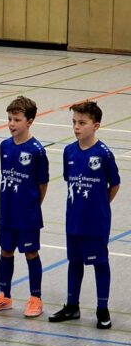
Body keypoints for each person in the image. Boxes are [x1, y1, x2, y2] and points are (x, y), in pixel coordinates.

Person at [50, 101, 121, 330]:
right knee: (74, 261)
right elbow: (69, 181)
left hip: (96, 221)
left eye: (82, 123)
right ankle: (72, 305)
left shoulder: (103, 154)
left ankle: (102, 308)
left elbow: (115, 184)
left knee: (100, 262)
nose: (76, 127)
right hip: (74, 219)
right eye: (74, 122)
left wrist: (100, 204)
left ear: (96, 125)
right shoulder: (69, 151)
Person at [0, 96, 48, 317]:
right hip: (8, 212)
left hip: (28, 214)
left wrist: (32, 206)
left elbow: (42, 184)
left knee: (31, 252)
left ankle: (36, 298)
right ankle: (5, 296)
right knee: (6, 251)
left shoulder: (37, 150)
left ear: (29, 121)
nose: (11, 124)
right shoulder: (5, 146)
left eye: (17, 120)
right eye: (10, 119)